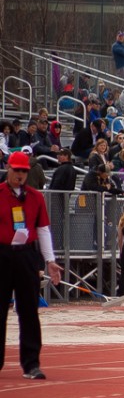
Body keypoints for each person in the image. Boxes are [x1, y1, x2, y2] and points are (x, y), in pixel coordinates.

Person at [1, 152, 63, 378]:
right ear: (8, 169)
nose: (20, 175)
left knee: (29, 310)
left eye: (24, 171)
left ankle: (31, 364)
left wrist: (50, 260)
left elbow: (43, 229)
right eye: (16, 170)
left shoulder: (36, 197)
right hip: (2, 254)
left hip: (26, 254)